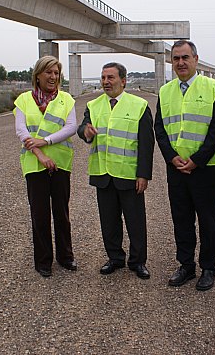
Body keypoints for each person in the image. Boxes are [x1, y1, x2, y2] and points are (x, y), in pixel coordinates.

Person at [154, 40, 215, 291]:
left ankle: (208, 267)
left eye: (185, 58)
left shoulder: (214, 88)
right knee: (181, 218)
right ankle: (186, 264)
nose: (181, 63)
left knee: (208, 219)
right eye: (176, 59)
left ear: (196, 59)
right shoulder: (165, 91)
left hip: (205, 168)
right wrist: (171, 157)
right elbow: (160, 129)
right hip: (176, 168)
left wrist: (197, 160)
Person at [78, 62, 154, 279]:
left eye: (110, 78)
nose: (105, 82)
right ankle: (115, 258)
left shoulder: (139, 105)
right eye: (103, 78)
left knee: (135, 222)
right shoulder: (94, 105)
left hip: (129, 174)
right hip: (103, 173)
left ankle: (138, 262)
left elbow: (146, 144)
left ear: (123, 80)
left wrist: (143, 174)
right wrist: (86, 132)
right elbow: (82, 129)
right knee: (109, 221)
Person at [13, 55, 78, 278]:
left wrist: (46, 141)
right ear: (38, 75)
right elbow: (22, 131)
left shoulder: (66, 99)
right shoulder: (23, 100)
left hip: (60, 162)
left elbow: (71, 127)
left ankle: (66, 257)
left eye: (56, 73)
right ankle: (43, 261)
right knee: (39, 214)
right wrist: (40, 153)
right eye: (48, 72)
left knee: (62, 212)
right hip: (34, 164)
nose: (53, 77)